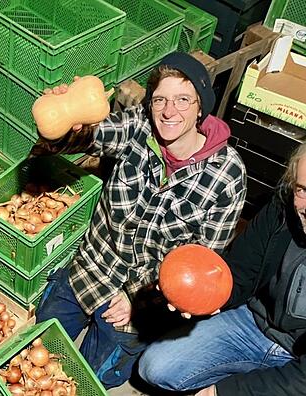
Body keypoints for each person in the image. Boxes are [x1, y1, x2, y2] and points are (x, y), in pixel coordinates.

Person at [31, 52, 247, 388]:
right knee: (36, 352)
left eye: (182, 100)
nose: (168, 111)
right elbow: (86, 138)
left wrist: (142, 297)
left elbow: (201, 265)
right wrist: (64, 121)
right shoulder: (139, 126)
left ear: (200, 107)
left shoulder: (226, 175)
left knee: (89, 381)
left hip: (148, 294)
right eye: (160, 99)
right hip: (91, 267)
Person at [138, 129, 306, 395]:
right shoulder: (282, 207)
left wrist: (223, 391)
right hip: (255, 324)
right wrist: (206, 297)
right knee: (155, 367)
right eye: (304, 190)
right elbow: (241, 271)